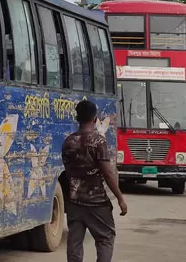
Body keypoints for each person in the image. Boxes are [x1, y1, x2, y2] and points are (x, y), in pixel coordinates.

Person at [62, 100, 128, 262]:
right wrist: (120, 198)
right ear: (95, 118)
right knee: (105, 238)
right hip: (97, 202)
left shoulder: (68, 142)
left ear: (78, 118)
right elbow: (107, 173)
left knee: (75, 242)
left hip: (74, 202)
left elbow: (68, 171)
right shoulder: (98, 142)